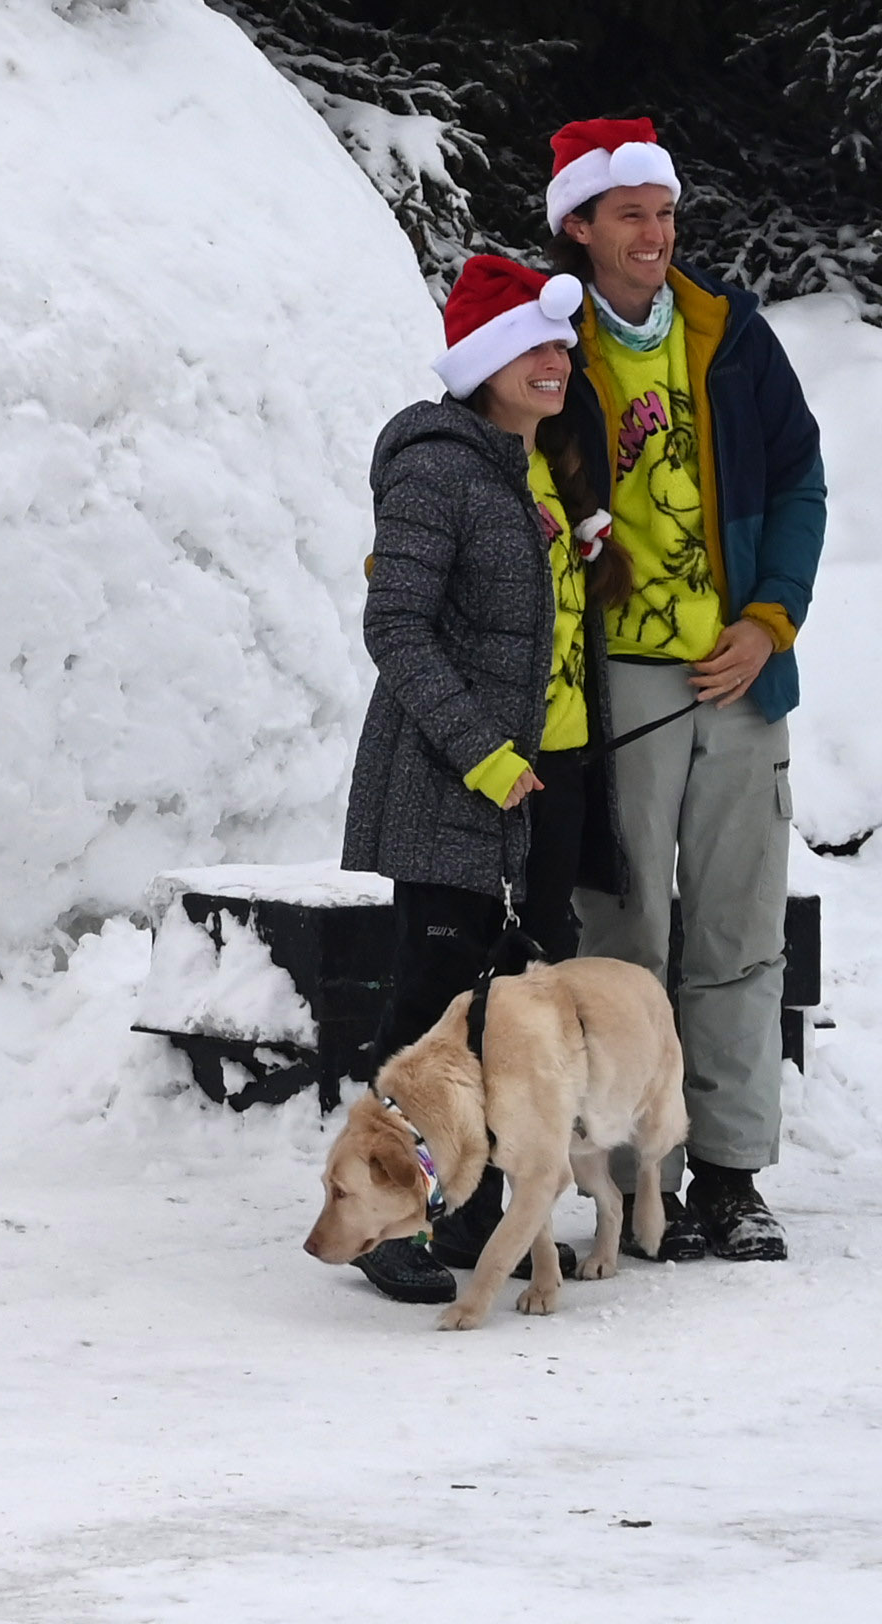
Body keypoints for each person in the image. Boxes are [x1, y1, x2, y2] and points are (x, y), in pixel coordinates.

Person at [543, 115, 829, 1263]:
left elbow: (802, 480)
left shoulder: (729, 334)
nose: (655, 234)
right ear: (578, 226)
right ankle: (630, 1182)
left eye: (663, 212)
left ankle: (728, 1174)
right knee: (621, 939)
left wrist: (769, 621)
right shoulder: (548, 339)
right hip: (613, 681)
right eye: (630, 216)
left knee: (737, 931)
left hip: (738, 673)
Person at [334, 252, 611, 1303]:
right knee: (426, 1019)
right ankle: (381, 1221)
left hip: (529, 792)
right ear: (483, 362)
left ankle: (471, 1214)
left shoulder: (525, 467)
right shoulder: (434, 465)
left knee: (506, 1016)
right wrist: (481, 753)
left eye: (560, 346)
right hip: (449, 787)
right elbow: (394, 627)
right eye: (534, 347)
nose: (556, 361)